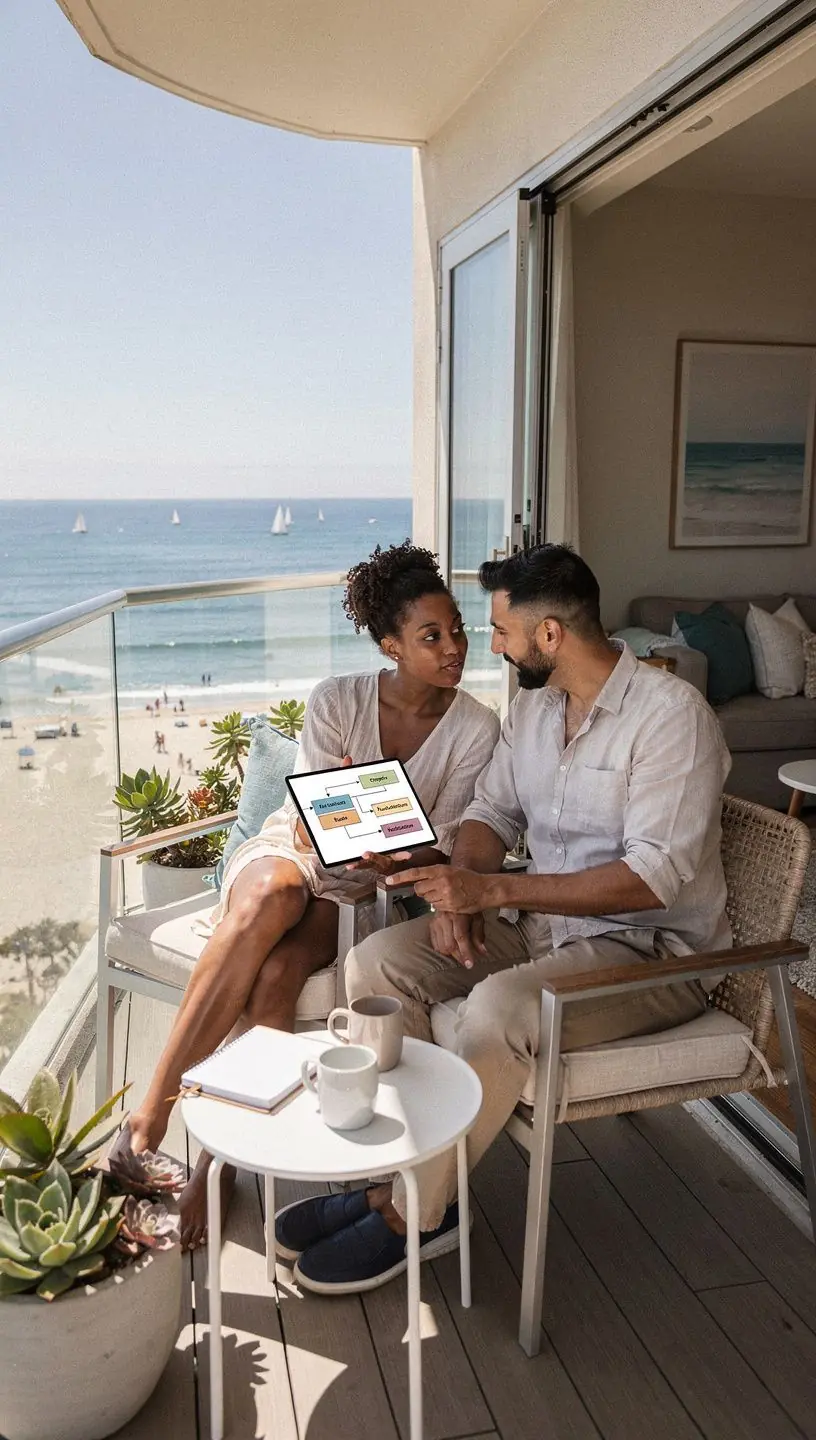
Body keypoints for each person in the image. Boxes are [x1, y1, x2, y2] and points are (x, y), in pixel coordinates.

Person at [275, 543, 732, 1295]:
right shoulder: (536, 710)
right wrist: (461, 890)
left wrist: (488, 894)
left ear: (549, 634)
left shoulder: (670, 718)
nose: (487, 646)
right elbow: (490, 812)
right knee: (376, 966)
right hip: (543, 924)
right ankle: (406, 1176)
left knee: (496, 1010)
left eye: (498, 630)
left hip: (651, 953)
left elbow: (649, 880)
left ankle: (412, 1213)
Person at [112, 541, 500, 1248]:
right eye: (431, 636)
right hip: (289, 857)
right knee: (273, 899)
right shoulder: (337, 700)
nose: (455, 648)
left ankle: (217, 1164)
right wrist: (360, 819)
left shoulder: (476, 727)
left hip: (361, 890)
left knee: (281, 972)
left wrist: (383, 839)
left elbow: (442, 844)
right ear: (390, 646)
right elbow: (310, 824)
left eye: (458, 630)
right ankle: (151, 1118)